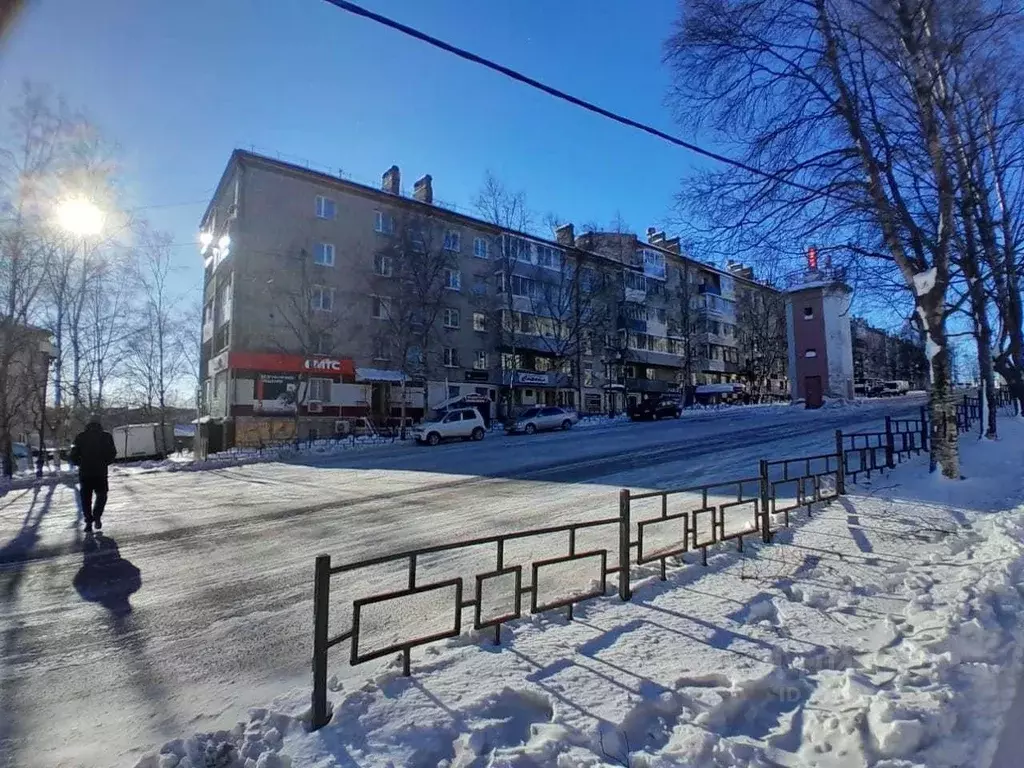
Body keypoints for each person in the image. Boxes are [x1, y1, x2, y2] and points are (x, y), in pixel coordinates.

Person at [69, 415, 117, 533]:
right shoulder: (106, 436)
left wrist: (81, 463)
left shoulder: (80, 437)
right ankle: (97, 515)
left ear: (88, 424)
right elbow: (113, 453)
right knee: (102, 496)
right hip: (100, 472)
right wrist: (104, 462)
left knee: (86, 499)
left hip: (85, 473)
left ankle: (88, 522)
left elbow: (73, 454)